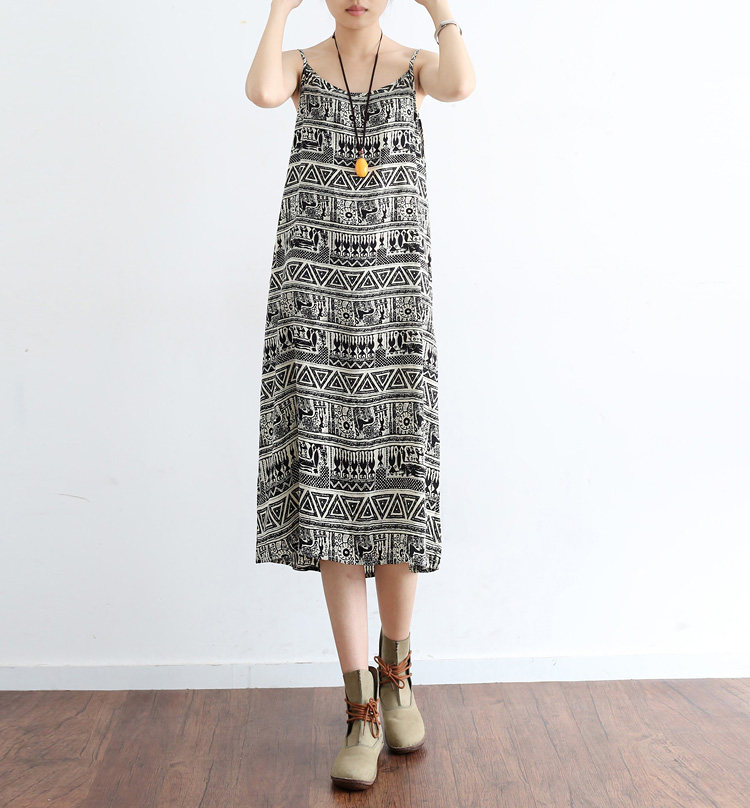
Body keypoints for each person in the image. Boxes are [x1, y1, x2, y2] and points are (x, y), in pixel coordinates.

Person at [246, 0, 474, 791]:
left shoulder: (415, 67)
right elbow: (262, 92)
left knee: (395, 503)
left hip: (395, 314)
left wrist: (440, 9)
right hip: (315, 311)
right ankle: (360, 710)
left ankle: (397, 673)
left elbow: (462, 84)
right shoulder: (301, 68)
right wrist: (278, 10)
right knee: (334, 511)